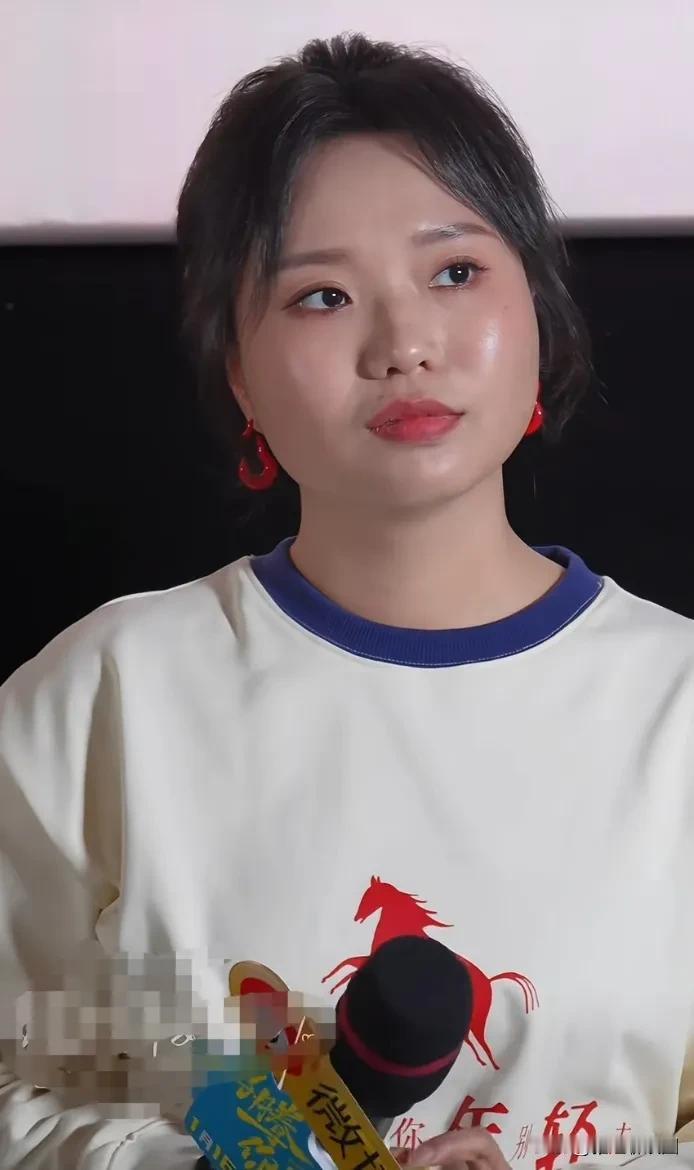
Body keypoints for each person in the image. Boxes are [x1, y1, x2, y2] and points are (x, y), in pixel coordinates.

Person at [1, 29, 693, 1170]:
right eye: (322, 295)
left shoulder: (675, 706)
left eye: (454, 272)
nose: (404, 343)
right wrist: (237, 1163)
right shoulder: (107, 699)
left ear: (539, 311)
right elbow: (18, 1083)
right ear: (238, 370)